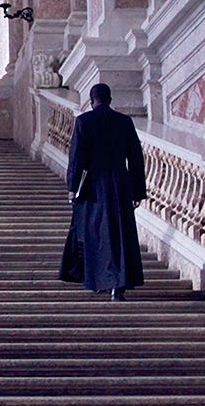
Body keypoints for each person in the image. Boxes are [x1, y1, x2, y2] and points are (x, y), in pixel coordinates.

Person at [59, 83, 146, 300]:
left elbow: (77, 158)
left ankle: (102, 281)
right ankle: (119, 284)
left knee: (96, 234)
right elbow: (136, 158)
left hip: (94, 185)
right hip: (120, 183)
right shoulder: (124, 122)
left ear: (91, 100)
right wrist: (137, 190)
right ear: (110, 99)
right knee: (120, 233)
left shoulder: (84, 121)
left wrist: (72, 187)